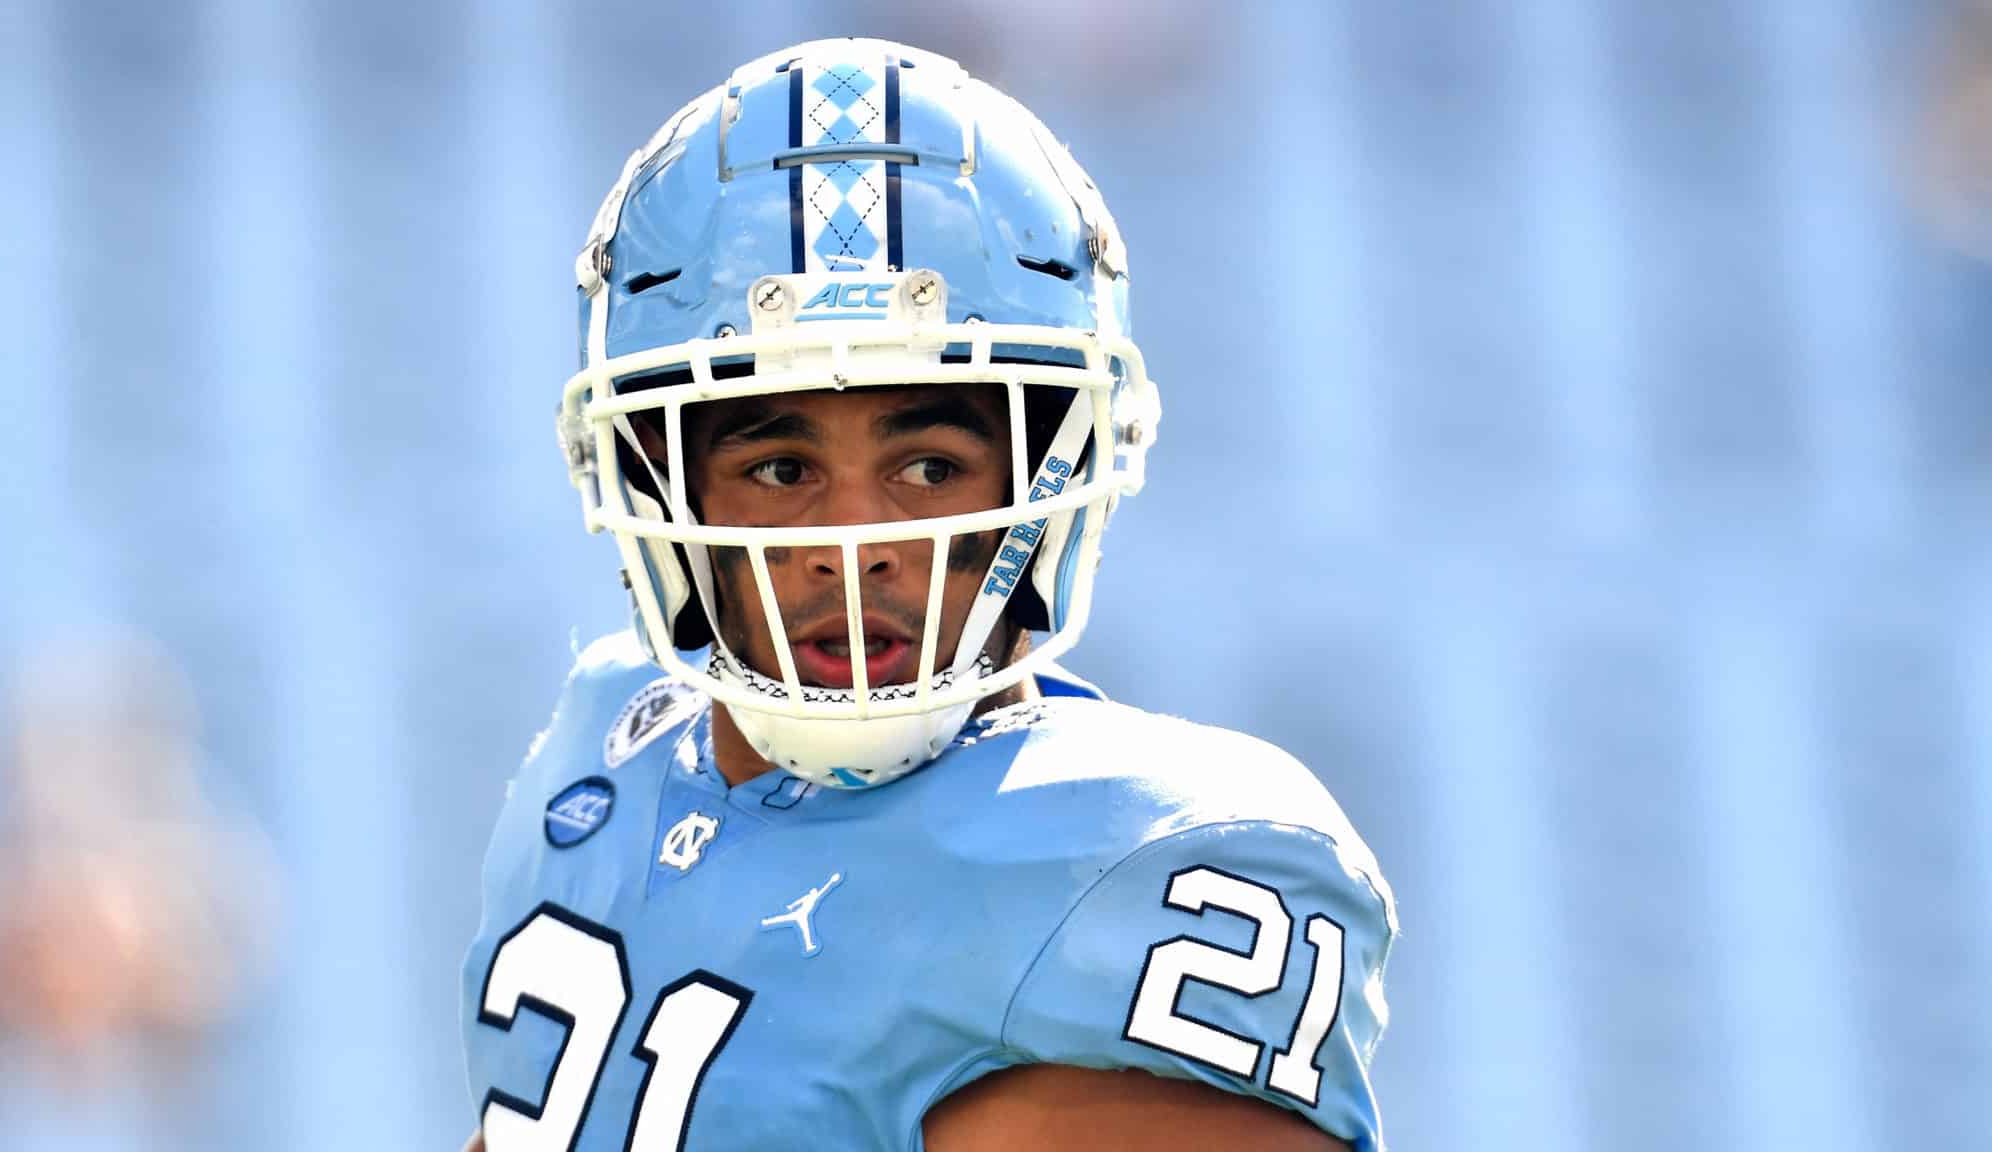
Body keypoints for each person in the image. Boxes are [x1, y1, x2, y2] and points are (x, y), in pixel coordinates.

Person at [460, 38, 1397, 1152]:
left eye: (930, 467)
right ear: (656, 482)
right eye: (781, 469)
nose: (853, 544)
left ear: (1046, 481)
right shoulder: (599, 751)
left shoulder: (1149, 853)